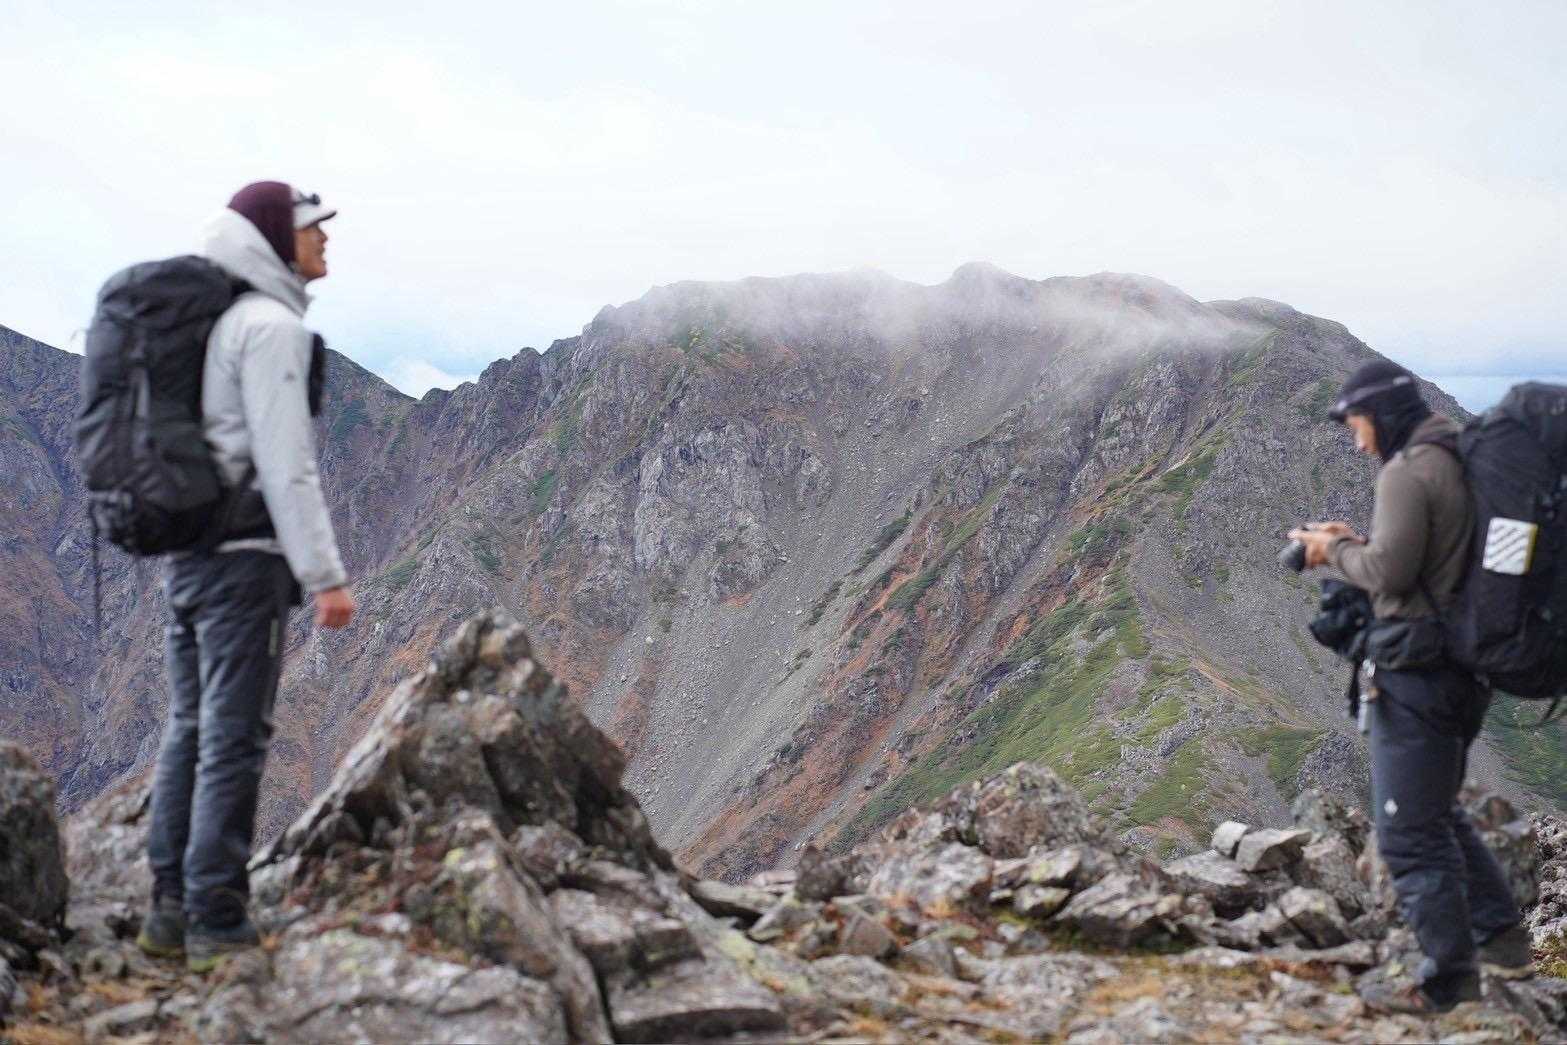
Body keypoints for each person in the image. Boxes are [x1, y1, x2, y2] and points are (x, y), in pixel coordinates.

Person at [136, 182, 357, 972]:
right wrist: (324, 575)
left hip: (191, 561)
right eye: (312, 228)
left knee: (190, 727)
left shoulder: (218, 326)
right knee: (232, 737)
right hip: (244, 565)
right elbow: (286, 463)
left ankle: (168, 911)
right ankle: (217, 917)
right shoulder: (269, 328)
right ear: (273, 237)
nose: (325, 239)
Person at [1288, 360, 1531, 1013]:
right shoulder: (1454, 453)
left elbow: (1391, 574)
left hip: (1417, 675)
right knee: (1436, 811)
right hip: (1462, 670)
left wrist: (1329, 551)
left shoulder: (1406, 471)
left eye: (1358, 425)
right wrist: (1356, 542)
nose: (1357, 441)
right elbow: (1430, 559)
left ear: (1382, 414)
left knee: (1407, 836)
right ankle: (1501, 938)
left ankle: (1447, 984)